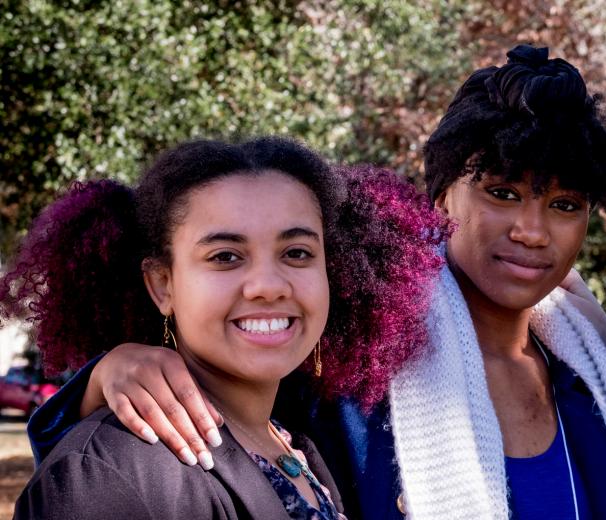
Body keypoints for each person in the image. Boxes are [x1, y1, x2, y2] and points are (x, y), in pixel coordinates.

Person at [27, 45, 606, 519]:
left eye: (564, 205)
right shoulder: (353, 358)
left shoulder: (603, 375)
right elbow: (168, 443)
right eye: (501, 193)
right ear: (442, 198)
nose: (533, 231)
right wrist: (106, 373)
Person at [2, 137, 447, 519]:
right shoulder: (112, 473)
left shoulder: (298, 444)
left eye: (296, 253)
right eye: (225, 257)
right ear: (162, 285)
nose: (269, 286)